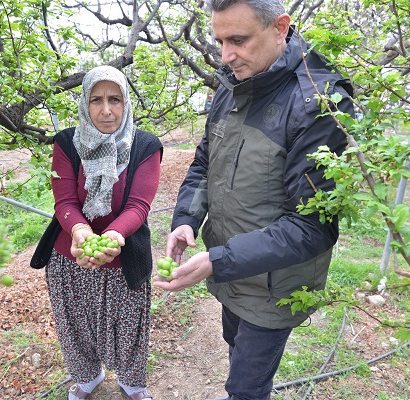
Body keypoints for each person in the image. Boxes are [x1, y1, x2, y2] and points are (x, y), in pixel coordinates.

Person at [152, 0, 354, 399]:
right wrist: (186, 220)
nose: (226, 56)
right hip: (232, 269)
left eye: (239, 40)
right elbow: (205, 161)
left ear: (281, 27)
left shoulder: (318, 102)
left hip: (276, 284)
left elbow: (310, 227)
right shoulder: (234, 84)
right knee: (235, 348)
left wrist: (217, 259)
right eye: (220, 40)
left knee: (246, 387)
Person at [46, 65, 162, 400]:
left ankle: (132, 384)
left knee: (129, 329)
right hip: (71, 255)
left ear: (126, 103)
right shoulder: (67, 143)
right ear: (85, 102)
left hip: (123, 253)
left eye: (115, 99)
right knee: (76, 325)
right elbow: (65, 200)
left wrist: (112, 238)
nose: (106, 109)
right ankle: (87, 378)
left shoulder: (145, 146)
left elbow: (138, 206)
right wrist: (81, 231)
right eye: (96, 100)